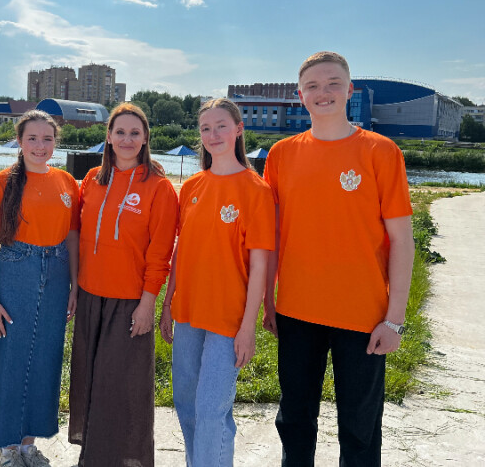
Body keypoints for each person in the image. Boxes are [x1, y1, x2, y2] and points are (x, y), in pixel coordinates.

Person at [263, 51, 415, 466]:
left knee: (360, 428)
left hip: (363, 313)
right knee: (294, 419)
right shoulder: (281, 155)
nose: (323, 92)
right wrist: (267, 300)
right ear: (300, 95)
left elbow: (402, 240)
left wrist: (395, 319)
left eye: (333, 83)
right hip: (296, 308)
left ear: (350, 91)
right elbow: (272, 236)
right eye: (312, 86)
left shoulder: (380, 151)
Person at [160, 98, 275, 467]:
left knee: (212, 412)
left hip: (228, 318)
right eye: (206, 128)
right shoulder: (192, 186)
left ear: (238, 130)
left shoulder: (256, 190)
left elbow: (260, 265)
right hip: (188, 312)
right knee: (187, 405)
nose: (213, 135)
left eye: (221, 126)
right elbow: (181, 250)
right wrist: (167, 304)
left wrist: (248, 328)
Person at [68, 103, 178, 466]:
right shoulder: (92, 180)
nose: (127, 139)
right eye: (120, 132)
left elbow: (160, 253)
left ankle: (123, 459)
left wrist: (148, 304)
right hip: (90, 296)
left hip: (129, 301)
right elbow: (78, 236)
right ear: (109, 137)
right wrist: (74, 288)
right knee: (89, 380)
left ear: (145, 138)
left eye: (134, 133)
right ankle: (92, 456)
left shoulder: (159, 188)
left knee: (122, 388)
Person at [0, 110, 80, 467]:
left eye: (47, 139)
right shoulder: (1, 183)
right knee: (10, 358)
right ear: (20, 141)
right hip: (15, 272)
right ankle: (7, 447)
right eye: (32, 139)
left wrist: (75, 285)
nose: (40, 146)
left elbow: (72, 236)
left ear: (56, 142)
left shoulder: (67, 182)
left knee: (46, 358)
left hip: (57, 275)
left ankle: (28, 444)